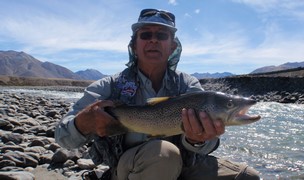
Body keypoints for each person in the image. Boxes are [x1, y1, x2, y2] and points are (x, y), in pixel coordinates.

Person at [55, 8, 260, 180]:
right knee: (164, 155)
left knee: (248, 176)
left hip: (184, 165)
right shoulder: (108, 86)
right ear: (134, 45)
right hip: (130, 168)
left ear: (172, 46)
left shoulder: (189, 85)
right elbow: (63, 139)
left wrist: (199, 139)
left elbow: (209, 144)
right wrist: (83, 122)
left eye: (161, 35)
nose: (153, 40)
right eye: (146, 35)